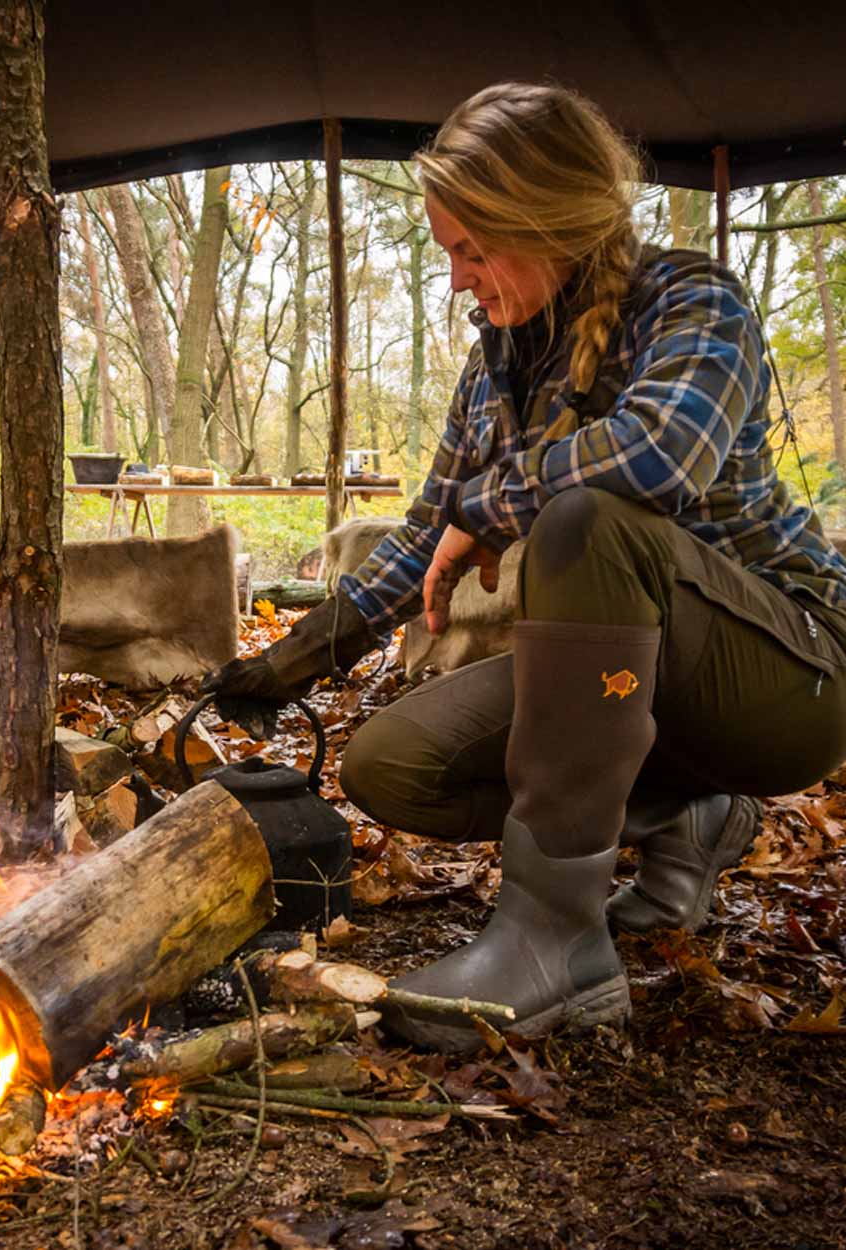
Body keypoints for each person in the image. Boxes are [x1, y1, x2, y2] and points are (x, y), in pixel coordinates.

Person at [205, 81, 846, 1052]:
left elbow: (660, 456)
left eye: (472, 249)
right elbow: (426, 536)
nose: (458, 281)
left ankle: (553, 939)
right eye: (446, 253)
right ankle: (694, 812)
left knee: (584, 518)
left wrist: (495, 507)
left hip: (790, 672)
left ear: (546, 220)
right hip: (629, 680)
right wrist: (284, 662)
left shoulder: (691, 301)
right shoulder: (495, 367)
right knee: (394, 765)